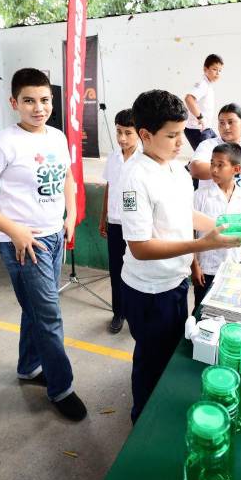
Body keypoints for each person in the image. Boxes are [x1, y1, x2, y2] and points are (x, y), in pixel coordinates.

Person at [0, 68, 87, 422]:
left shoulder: (57, 137)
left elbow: (67, 180)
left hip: (53, 235)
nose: (38, 108)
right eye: (29, 101)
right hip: (24, 244)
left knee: (36, 310)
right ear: (14, 103)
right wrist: (15, 231)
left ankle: (29, 367)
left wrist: (70, 214)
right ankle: (61, 387)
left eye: (44, 100)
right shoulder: (5, 142)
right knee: (49, 316)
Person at [119, 89, 241, 423]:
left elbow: (184, 215)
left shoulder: (174, 169)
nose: (180, 143)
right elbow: (140, 247)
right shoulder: (134, 178)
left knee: (171, 352)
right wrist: (204, 246)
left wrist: (224, 227)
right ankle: (143, 418)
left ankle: (160, 406)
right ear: (145, 135)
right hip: (148, 290)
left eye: (181, 134)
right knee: (150, 359)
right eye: (172, 136)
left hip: (175, 282)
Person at [191, 142, 241, 310]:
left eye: (220, 165)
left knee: (229, 309)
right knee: (202, 310)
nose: (213, 169)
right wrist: (195, 266)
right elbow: (190, 232)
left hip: (234, 267)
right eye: (212, 163)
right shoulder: (200, 196)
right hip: (207, 269)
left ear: (236, 169)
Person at [99, 108, 140, 334]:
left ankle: (135, 312)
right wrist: (103, 215)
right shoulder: (114, 157)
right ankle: (118, 312)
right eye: (118, 132)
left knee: (135, 270)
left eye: (128, 133)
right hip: (115, 222)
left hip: (135, 225)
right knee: (116, 270)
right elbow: (109, 186)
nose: (122, 138)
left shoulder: (144, 159)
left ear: (139, 133)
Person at [183, 54, 223, 151]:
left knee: (219, 150)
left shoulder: (208, 85)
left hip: (206, 128)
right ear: (205, 69)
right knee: (205, 157)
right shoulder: (203, 84)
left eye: (220, 70)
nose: (217, 73)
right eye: (214, 69)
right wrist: (200, 117)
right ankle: (189, 166)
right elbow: (189, 99)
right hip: (196, 129)